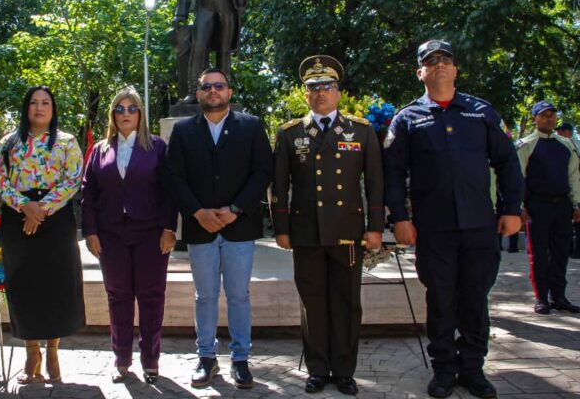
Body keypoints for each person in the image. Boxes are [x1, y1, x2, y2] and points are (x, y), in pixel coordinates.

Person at [383, 40, 523, 399]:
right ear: (420, 72)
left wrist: (510, 209)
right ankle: (444, 370)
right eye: (431, 61)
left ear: (456, 68)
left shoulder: (482, 112)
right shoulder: (407, 119)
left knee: (475, 299)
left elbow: (508, 163)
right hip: (434, 229)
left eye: (446, 59)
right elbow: (393, 174)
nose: (440, 65)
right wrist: (399, 218)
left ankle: (473, 369)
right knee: (441, 301)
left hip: (480, 225)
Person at [271, 55, 384, 396]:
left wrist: (375, 227)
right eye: (313, 88)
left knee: (347, 302)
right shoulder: (290, 134)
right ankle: (318, 368)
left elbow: (376, 183)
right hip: (306, 233)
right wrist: (281, 227)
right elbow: (279, 186)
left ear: (338, 92)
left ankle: (345, 370)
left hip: (347, 233)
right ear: (305, 94)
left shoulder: (361, 131)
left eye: (327, 86)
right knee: (313, 302)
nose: (320, 92)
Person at [166, 68, 273, 389]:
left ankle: (241, 360)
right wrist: (198, 212)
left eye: (219, 86)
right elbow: (173, 177)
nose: (213, 91)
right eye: (206, 87)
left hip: (239, 227)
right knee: (205, 296)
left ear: (229, 92)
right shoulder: (184, 131)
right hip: (201, 229)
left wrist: (235, 209)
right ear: (198, 94)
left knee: (239, 295)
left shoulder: (251, 127)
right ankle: (206, 358)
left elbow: (263, 171)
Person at [81, 87, 177, 384]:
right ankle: (121, 359)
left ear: (140, 114)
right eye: (119, 109)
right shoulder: (100, 150)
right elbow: (88, 193)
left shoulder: (157, 147)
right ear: (112, 115)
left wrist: (169, 228)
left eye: (131, 109)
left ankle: (151, 360)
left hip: (150, 233)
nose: (125, 114)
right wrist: (91, 232)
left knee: (151, 297)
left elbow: (168, 191)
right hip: (111, 236)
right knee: (118, 297)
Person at [0, 85, 85, 385]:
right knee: (24, 284)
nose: (40, 108)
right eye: (34, 102)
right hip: (17, 219)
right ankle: (32, 351)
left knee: (56, 283)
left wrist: (42, 209)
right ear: (26, 108)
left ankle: (54, 349)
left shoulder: (67, 142)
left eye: (46, 102)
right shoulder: (9, 142)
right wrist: (24, 207)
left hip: (55, 218)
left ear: (53, 108)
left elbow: (73, 179)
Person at [515, 101, 580, 314]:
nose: (549, 118)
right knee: (539, 254)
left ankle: (559, 296)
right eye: (544, 115)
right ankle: (541, 297)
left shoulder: (567, 145)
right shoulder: (526, 145)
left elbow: (574, 176)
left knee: (561, 252)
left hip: (562, 205)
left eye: (552, 115)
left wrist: (576, 203)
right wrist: (520, 206)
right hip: (537, 206)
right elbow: (518, 178)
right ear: (535, 118)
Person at [556, 122, 580, 259]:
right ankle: (570, 249)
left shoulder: (573, 145)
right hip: (568, 189)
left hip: (575, 187)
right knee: (568, 224)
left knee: (576, 223)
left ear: (568, 132)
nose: (559, 133)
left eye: (561, 130)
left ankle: (575, 250)